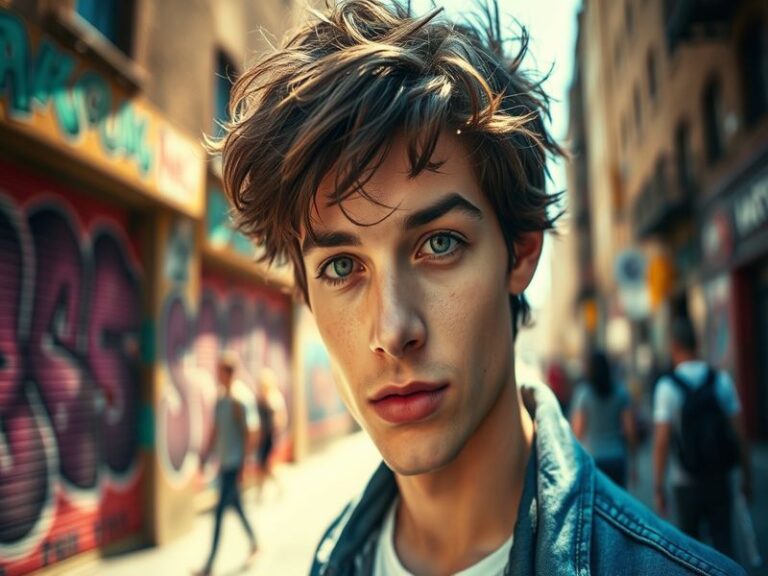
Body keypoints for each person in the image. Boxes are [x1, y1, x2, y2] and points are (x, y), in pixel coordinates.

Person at [214, 1, 745, 573]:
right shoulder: (332, 560)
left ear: (521, 252)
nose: (393, 331)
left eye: (439, 244)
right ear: (304, 294)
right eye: (342, 267)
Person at [653, 316, 752, 559]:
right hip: (719, 476)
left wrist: (658, 486)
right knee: (724, 545)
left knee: (691, 554)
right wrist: (746, 475)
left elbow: (662, 442)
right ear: (696, 344)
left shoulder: (667, 387)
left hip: (685, 481)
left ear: (673, 345)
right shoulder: (721, 380)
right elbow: (740, 433)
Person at [195, 352, 258, 576]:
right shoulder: (221, 400)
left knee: (220, 513)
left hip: (234, 465)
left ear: (228, 373)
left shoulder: (241, 399)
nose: (217, 376)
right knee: (237, 509)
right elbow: (215, 430)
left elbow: (252, 433)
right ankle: (255, 543)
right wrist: (205, 456)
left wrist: (244, 465)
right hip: (224, 464)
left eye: (220, 371)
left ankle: (210, 565)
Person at [570, 350, 636, 488]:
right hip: (617, 457)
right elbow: (630, 430)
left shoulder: (583, 394)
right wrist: (634, 463)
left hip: (592, 459)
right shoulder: (621, 392)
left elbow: (578, 430)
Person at [255, 367, 287, 500]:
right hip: (263, 435)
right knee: (263, 464)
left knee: (265, 464)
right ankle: (261, 491)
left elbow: (280, 418)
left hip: (269, 436)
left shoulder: (274, 397)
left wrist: (275, 431)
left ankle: (275, 486)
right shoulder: (263, 396)